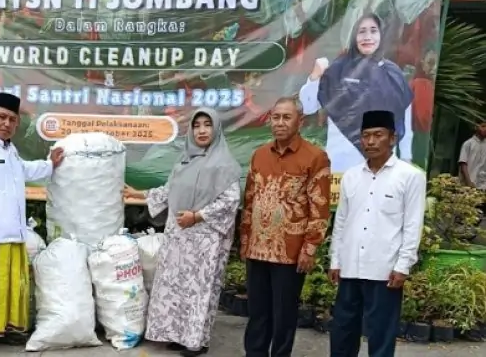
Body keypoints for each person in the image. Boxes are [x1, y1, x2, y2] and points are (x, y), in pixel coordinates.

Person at [124, 108, 242, 357]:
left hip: (205, 239)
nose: (201, 130)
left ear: (216, 129)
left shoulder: (225, 164)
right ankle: (178, 335)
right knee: (177, 287)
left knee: (199, 289)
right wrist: (140, 194)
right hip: (179, 235)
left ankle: (196, 341)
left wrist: (197, 216)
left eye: (207, 125)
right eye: (197, 125)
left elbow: (230, 201)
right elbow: (170, 191)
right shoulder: (185, 159)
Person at [0, 92, 65, 357]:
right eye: (2, 117)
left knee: (7, 286)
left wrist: (50, 165)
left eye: (12, 120)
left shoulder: (10, 149)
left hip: (11, 233)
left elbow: (24, 171)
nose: (6, 123)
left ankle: (2, 330)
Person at [329, 110, 427, 357]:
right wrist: (335, 260)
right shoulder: (351, 176)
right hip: (350, 266)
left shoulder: (410, 176)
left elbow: (412, 224)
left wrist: (403, 266)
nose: (370, 141)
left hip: (384, 269)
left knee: (381, 334)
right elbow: (341, 222)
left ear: (392, 138)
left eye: (378, 135)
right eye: (366, 136)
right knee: (342, 331)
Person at [240, 97, 331, 357]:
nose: (279, 123)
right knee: (257, 313)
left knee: (283, 316)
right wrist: (245, 241)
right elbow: (249, 202)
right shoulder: (259, 155)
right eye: (275, 117)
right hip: (257, 250)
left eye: (286, 117)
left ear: (300, 121)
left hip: (289, 253)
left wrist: (309, 249)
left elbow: (319, 209)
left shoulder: (315, 157)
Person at [300, 13, 414, 173]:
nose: (368, 37)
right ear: (353, 36)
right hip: (342, 166)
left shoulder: (393, 73)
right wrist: (314, 77)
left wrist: (406, 157)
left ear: (381, 35)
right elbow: (309, 106)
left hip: (382, 166)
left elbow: (405, 117)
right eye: (362, 31)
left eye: (373, 31)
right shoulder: (337, 70)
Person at [459, 121, 486, 190]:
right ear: (476, 127)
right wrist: (469, 182)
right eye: (483, 126)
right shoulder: (468, 144)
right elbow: (463, 164)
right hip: (468, 185)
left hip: (483, 185)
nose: (485, 129)